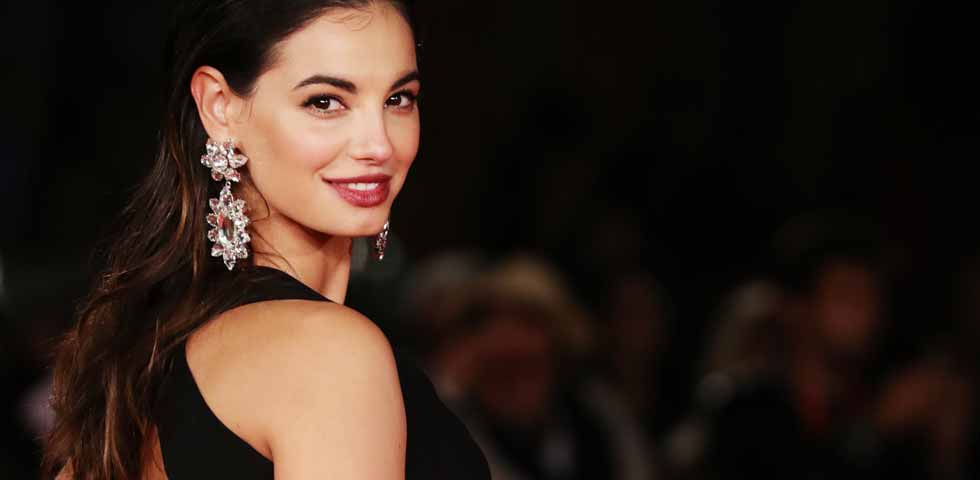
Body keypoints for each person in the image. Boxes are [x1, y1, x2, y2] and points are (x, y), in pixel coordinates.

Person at [42, 1, 490, 478]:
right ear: (219, 106)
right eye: (325, 102)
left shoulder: (151, 343)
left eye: (398, 99)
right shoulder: (326, 354)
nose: (379, 145)